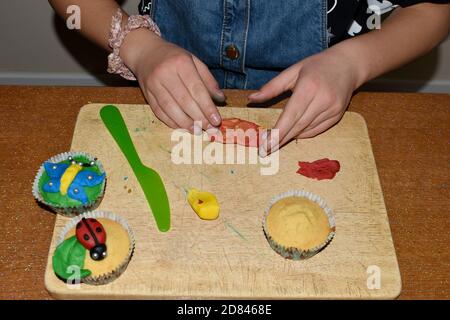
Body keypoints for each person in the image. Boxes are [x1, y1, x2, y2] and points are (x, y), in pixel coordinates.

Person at [49, 0, 450, 156]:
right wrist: (139, 48)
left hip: (324, 113)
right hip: (168, 98)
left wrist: (352, 63)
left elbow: (432, 12)